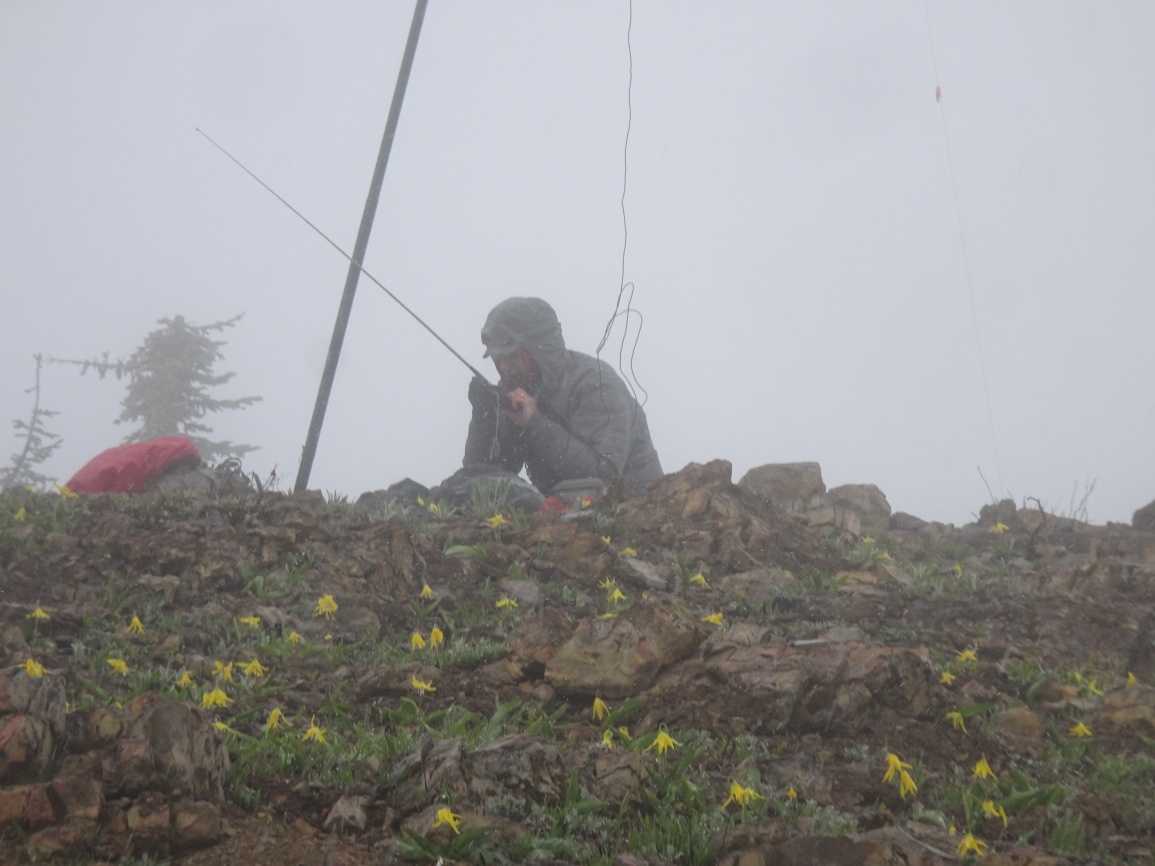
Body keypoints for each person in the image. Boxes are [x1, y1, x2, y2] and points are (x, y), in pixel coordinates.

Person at [460, 297, 663, 499]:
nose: (504, 367)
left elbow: (603, 475)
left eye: (512, 356)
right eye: (497, 358)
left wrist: (534, 423)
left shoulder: (596, 383)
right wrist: (485, 419)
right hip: (565, 511)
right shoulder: (518, 395)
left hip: (636, 508)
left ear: (535, 350)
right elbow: (482, 482)